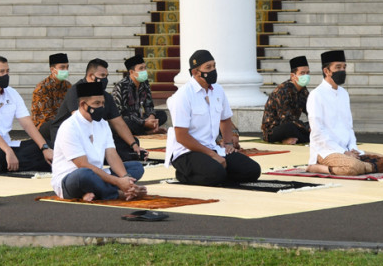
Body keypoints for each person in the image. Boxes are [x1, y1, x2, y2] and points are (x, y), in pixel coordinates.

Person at [164, 50, 261, 186]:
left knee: (252, 171)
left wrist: (227, 144)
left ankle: (214, 172)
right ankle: (184, 174)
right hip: (187, 152)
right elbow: (181, 137)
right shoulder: (183, 95)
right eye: (208, 67)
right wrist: (212, 155)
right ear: (195, 72)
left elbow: (225, 119)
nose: (213, 70)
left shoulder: (218, 90)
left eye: (214, 66)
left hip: (212, 147)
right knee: (216, 174)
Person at [50, 80, 147, 202]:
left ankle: (97, 191)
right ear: (83, 105)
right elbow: (83, 165)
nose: (101, 107)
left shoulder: (102, 123)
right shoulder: (69, 126)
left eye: (102, 103)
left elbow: (111, 154)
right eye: (96, 103)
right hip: (70, 179)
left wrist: (126, 179)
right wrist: (118, 182)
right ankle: (117, 194)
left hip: (98, 174)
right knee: (84, 174)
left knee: (136, 167)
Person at [306, 51, 383, 176]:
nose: (342, 71)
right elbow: (318, 132)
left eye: (344, 67)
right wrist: (343, 152)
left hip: (347, 151)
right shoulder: (316, 95)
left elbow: (348, 127)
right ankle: (315, 167)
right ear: (327, 71)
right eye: (338, 67)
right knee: (353, 167)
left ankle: (362, 167)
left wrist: (353, 149)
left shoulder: (344, 93)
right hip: (326, 151)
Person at [47, 58, 145, 161]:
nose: (105, 79)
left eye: (106, 76)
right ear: (90, 76)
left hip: (95, 132)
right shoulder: (76, 92)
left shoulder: (105, 95)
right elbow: (80, 123)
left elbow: (118, 123)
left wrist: (134, 145)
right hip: (72, 136)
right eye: (102, 76)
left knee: (131, 142)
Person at [260, 55, 311, 144]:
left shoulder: (303, 90)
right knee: (290, 127)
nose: (306, 76)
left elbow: (311, 110)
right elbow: (286, 119)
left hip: (294, 126)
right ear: (292, 76)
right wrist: (307, 128)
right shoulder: (283, 91)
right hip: (274, 130)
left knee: (317, 126)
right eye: (302, 73)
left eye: (307, 73)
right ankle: (291, 138)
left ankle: (295, 139)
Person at [112, 55, 167, 136]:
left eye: (145, 68)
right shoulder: (121, 86)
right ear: (131, 72)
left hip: (140, 118)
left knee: (162, 115)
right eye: (141, 68)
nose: (144, 71)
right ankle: (147, 132)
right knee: (126, 122)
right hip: (129, 120)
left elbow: (149, 104)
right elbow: (122, 113)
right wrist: (143, 123)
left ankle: (147, 129)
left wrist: (151, 117)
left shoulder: (145, 83)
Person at [31, 53, 72, 131]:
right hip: (43, 126)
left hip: (62, 122)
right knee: (55, 125)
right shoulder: (42, 88)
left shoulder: (68, 86)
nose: (66, 70)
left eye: (67, 67)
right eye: (62, 68)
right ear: (52, 70)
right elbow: (47, 116)